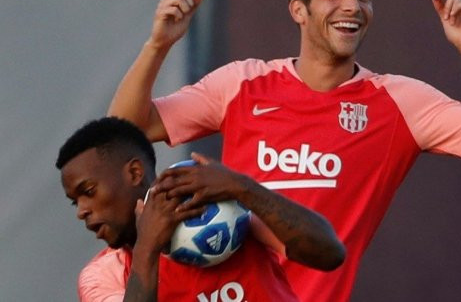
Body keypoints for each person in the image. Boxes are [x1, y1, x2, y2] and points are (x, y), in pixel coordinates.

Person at [107, 0, 461, 302]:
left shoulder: (400, 102)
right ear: (299, 9)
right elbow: (125, 132)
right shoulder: (242, 83)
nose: (353, 5)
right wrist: (158, 45)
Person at [56, 117, 345, 301]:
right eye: (75, 201)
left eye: (88, 192)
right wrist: (147, 247)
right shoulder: (102, 275)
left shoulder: (226, 209)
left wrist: (244, 188)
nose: (81, 211)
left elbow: (329, 254)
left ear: (134, 173)